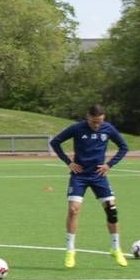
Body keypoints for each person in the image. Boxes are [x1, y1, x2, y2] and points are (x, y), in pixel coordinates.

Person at [49, 104, 130, 269]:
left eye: (100, 122)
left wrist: (109, 165)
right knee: (73, 210)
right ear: (88, 117)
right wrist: (69, 162)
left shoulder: (108, 129)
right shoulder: (77, 128)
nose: (97, 126)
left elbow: (124, 147)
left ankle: (115, 248)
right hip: (79, 176)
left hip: (99, 176)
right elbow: (56, 142)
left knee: (112, 210)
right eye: (94, 122)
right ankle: (70, 251)